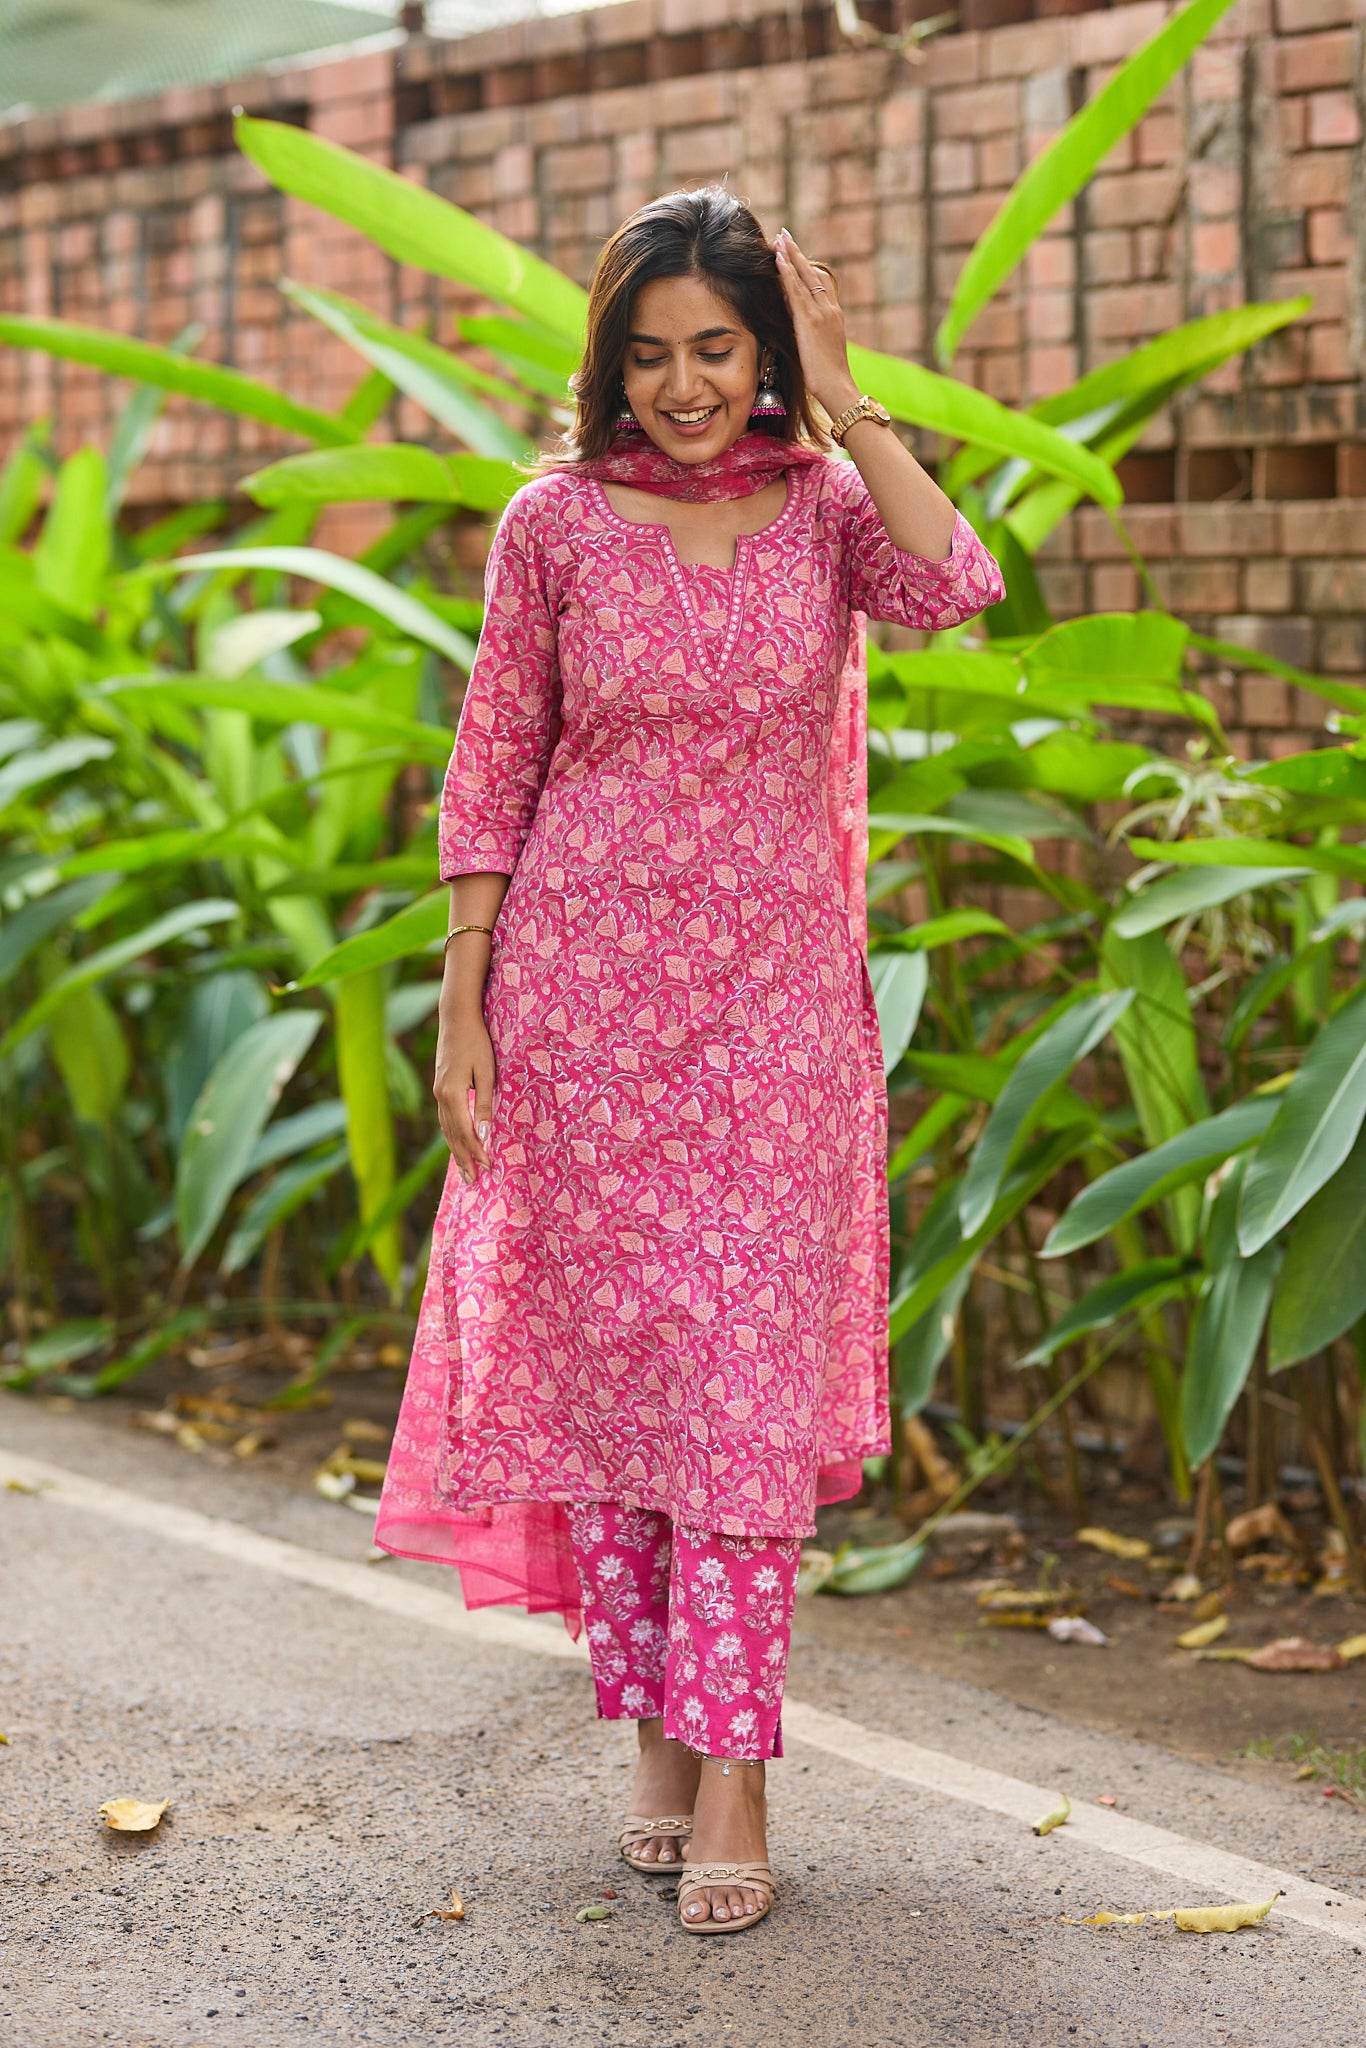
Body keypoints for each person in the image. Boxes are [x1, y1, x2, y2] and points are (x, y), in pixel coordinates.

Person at [375, 186, 1004, 1934]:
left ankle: (734, 1768)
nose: (682, 387)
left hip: (777, 1021)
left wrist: (845, 395)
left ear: (767, 349)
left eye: (718, 349)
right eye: (648, 355)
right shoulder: (553, 524)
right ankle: (655, 1727)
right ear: (608, 361)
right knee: (637, 1376)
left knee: (737, 1376)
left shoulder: (825, 520)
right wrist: (466, 989)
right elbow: (497, 753)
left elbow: (957, 582)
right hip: (584, 1008)